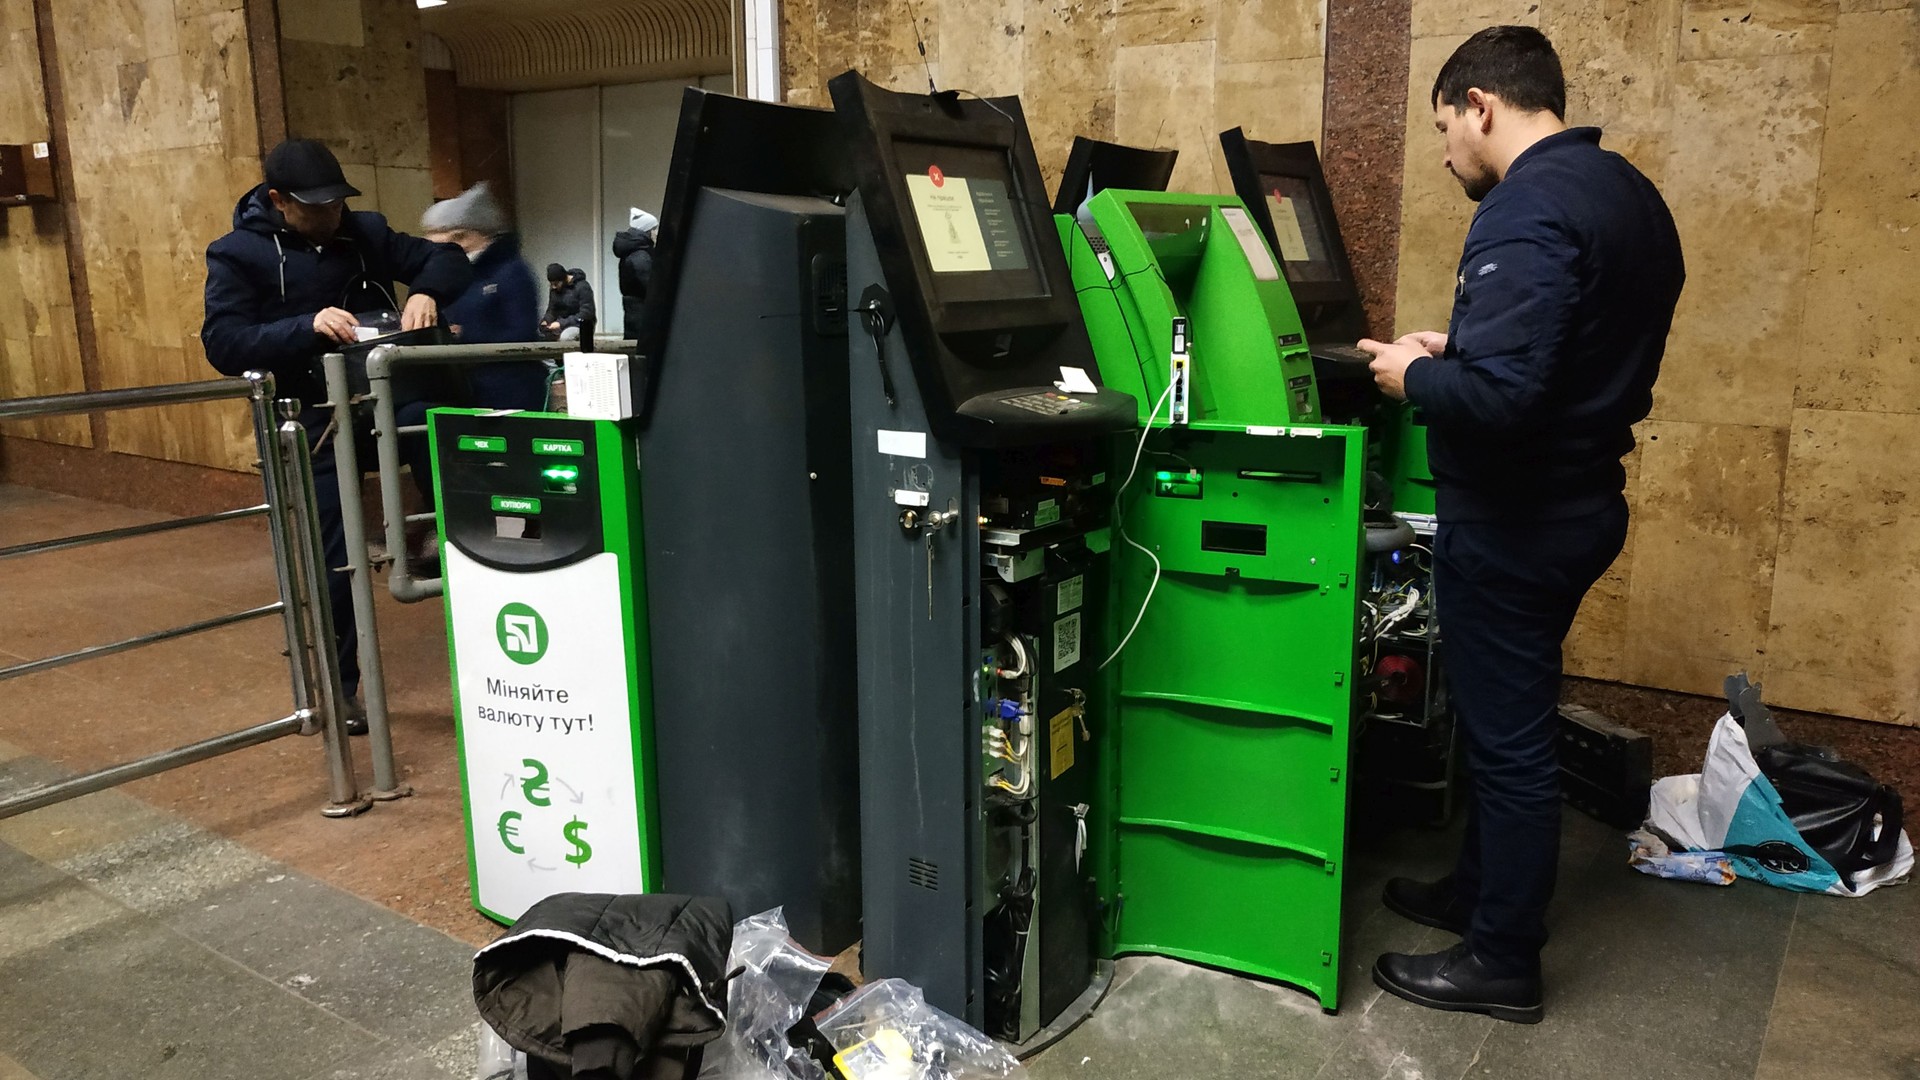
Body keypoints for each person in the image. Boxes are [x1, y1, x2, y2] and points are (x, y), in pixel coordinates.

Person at [1356, 25, 1684, 1023]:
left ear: (1481, 106)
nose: (1450, 151)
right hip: (1581, 504)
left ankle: (1502, 958)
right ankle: (1474, 895)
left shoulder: (1523, 208)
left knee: (1509, 746)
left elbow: (1501, 401)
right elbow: (1567, 348)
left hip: (1516, 521)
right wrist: (1464, 343)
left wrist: (1417, 377)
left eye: (1446, 127)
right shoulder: (1624, 193)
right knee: (1509, 724)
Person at [202, 138, 471, 735]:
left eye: (336, 203)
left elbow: (448, 261)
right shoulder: (237, 254)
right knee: (337, 560)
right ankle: (342, 688)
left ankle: (462, 564)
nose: (330, 216)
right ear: (277, 200)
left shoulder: (365, 230)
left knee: (451, 456)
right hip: (317, 420)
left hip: (388, 401)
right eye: (314, 206)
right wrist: (306, 325)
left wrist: (426, 289)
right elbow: (223, 344)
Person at [421, 182, 547, 410]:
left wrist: (464, 336)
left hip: (511, 389)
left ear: (469, 235)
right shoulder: (459, 275)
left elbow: (522, 332)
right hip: (468, 387)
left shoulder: (512, 272)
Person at [611, 207, 657, 333]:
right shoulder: (641, 256)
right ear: (646, 232)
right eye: (653, 229)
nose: (656, 233)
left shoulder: (631, 252)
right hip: (643, 312)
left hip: (632, 311)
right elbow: (652, 286)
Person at [541, 264, 595, 345]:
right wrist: (546, 321)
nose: (553, 287)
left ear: (564, 279)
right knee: (539, 335)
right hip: (561, 324)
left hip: (580, 325)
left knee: (566, 337)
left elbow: (586, 314)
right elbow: (552, 310)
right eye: (551, 284)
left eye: (556, 284)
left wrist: (561, 323)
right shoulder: (554, 290)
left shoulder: (582, 287)